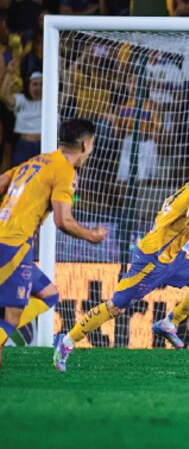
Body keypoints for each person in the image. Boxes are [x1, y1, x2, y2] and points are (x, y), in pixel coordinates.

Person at [55, 154, 189, 371]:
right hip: (153, 257)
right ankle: (66, 341)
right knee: (116, 307)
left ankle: (168, 323)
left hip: (172, 255)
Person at [0, 120, 107, 364]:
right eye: (92, 145)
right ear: (85, 145)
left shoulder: (36, 161)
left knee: (48, 294)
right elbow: (63, 221)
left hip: (10, 241)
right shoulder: (65, 170)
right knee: (12, 318)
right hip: (13, 245)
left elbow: (3, 182)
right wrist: (92, 236)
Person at [1, 70, 42, 166]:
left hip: (45, 146)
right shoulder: (22, 100)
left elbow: (67, 91)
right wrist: (9, 73)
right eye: (35, 84)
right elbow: (5, 96)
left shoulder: (51, 101)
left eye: (41, 84)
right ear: (29, 86)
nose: (38, 88)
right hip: (25, 147)